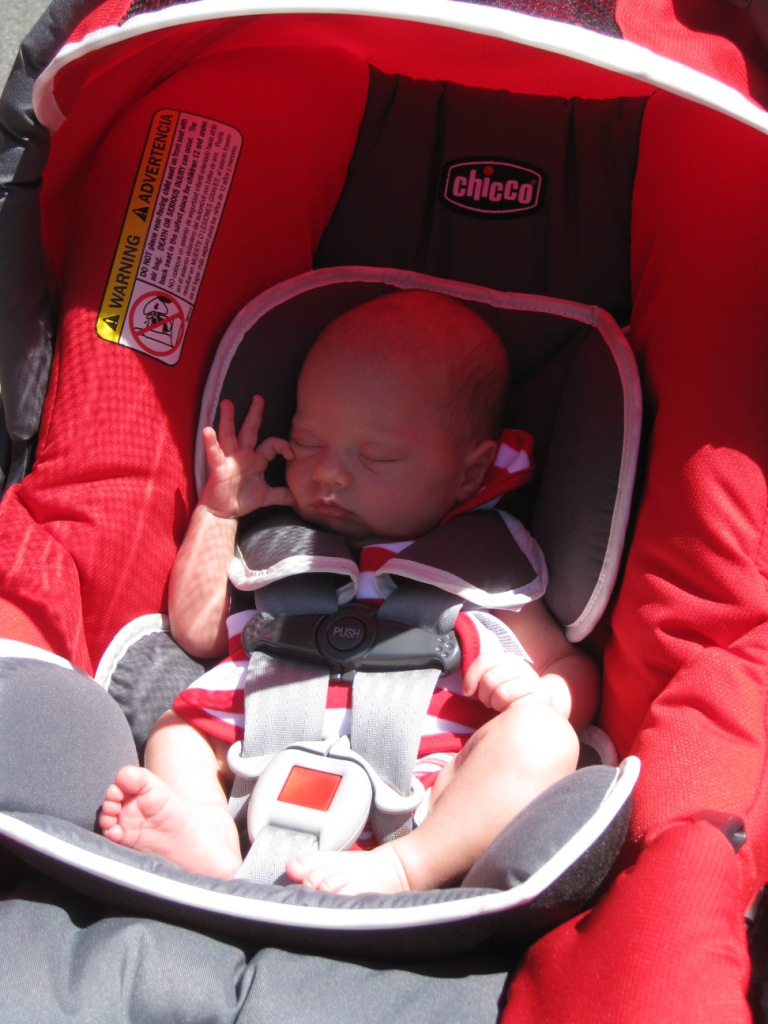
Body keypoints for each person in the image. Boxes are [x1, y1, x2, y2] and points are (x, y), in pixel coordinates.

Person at [99, 289, 599, 894]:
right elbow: (197, 631)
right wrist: (219, 511)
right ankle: (210, 839)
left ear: (468, 472)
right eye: (307, 443)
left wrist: (539, 694)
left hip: (427, 780)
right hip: (255, 745)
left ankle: (406, 866)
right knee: (177, 732)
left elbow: (571, 665)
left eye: (376, 457)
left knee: (545, 741)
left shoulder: (481, 566)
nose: (329, 472)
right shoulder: (280, 547)